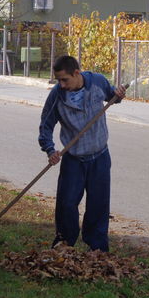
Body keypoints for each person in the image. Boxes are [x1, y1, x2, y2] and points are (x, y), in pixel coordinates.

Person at [38, 55, 126, 252]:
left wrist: (118, 95)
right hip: (73, 160)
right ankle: (64, 244)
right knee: (66, 204)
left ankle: (97, 248)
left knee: (98, 205)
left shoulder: (97, 82)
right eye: (58, 80)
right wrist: (50, 149)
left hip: (100, 157)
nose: (61, 84)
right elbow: (45, 125)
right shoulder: (57, 96)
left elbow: (112, 96)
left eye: (64, 79)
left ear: (76, 73)